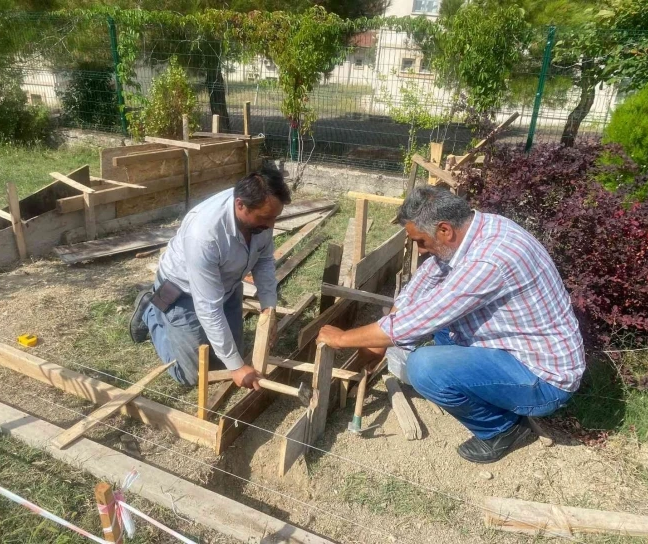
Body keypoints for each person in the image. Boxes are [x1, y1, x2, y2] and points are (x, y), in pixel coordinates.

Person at [317, 186, 585, 463]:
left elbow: (417, 322)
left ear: (445, 230)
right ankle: (493, 395)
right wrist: (379, 339)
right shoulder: (478, 230)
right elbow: (424, 285)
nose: (420, 251)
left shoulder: (489, 259)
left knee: (425, 367)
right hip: (518, 352)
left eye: (421, 241)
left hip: (544, 381)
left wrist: (341, 339)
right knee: (438, 328)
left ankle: (502, 430)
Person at [129, 165, 292, 391]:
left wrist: (268, 308)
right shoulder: (204, 234)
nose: (271, 226)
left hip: (227, 284)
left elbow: (264, 261)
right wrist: (236, 367)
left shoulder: (262, 215)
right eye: (266, 218)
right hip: (182, 292)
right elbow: (208, 306)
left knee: (222, 359)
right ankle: (151, 312)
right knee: (194, 375)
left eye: (275, 218)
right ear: (240, 205)